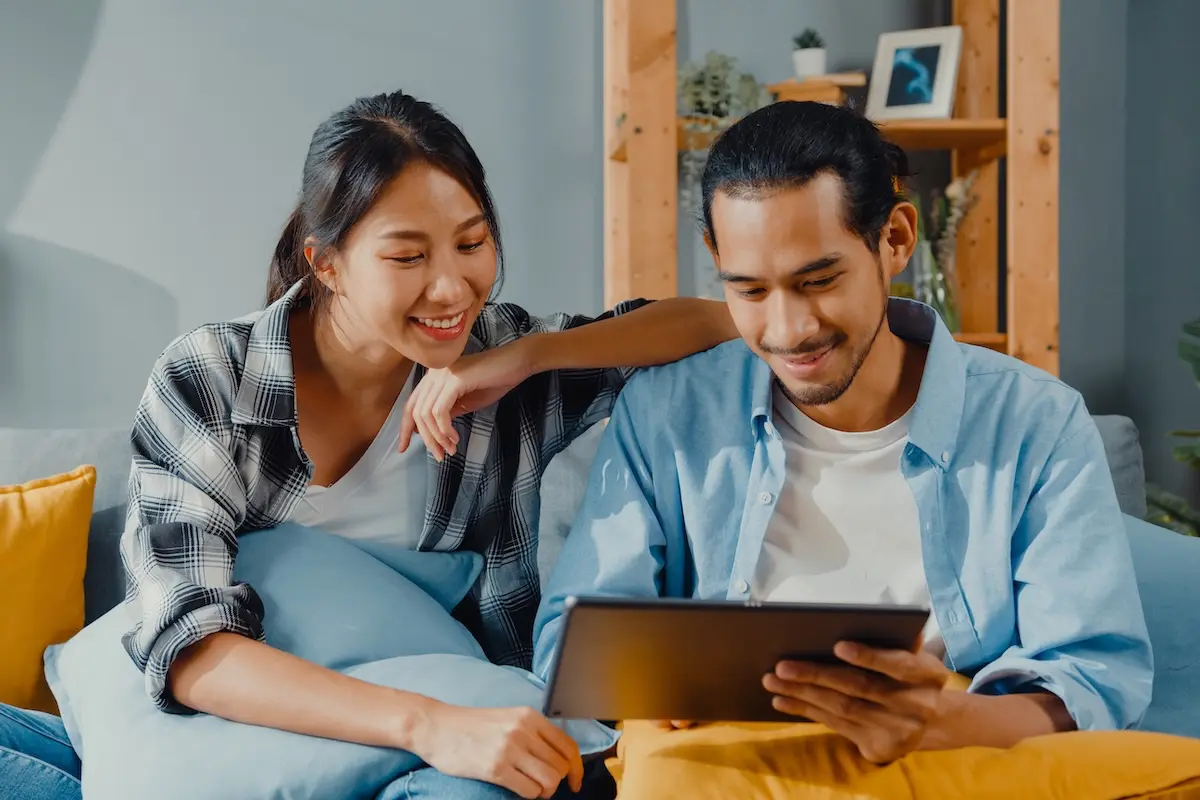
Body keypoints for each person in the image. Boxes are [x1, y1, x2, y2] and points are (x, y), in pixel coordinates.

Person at [0, 90, 739, 800]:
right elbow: (191, 652)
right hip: (247, 732)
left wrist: (530, 357)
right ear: (326, 264)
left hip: (438, 757)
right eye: (408, 257)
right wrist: (428, 724)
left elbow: (724, 323)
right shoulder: (211, 379)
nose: (452, 287)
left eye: (473, 243)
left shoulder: (498, 361)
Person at [532, 100, 1154, 791]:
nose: (788, 329)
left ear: (894, 238)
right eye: (749, 290)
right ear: (715, 260)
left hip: (954, 754)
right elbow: (571, 646)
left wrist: (940, 722)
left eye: (819, 281)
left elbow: (1095, 678)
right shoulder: (666, 413)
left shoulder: (1036, 422)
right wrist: (661, 690)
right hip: (734, 761)